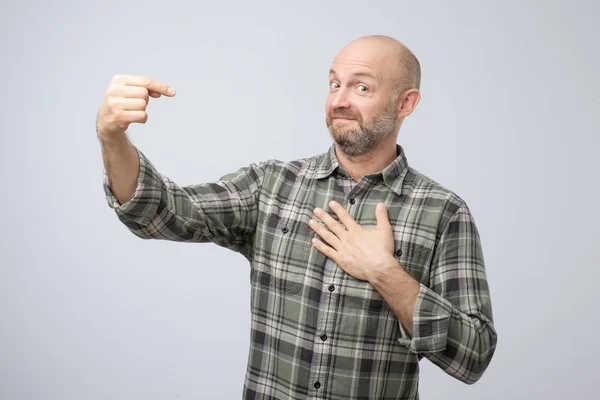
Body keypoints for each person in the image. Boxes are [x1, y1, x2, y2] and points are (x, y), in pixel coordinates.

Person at [96, 35, 497, 399]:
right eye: (334, 83)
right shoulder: (271, 184)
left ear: (406, 103)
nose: (340, 100)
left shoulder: (443, 212)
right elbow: (160, 213)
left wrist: (384, 272)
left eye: (361, 87)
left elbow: (473, 356)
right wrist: (113, 138)